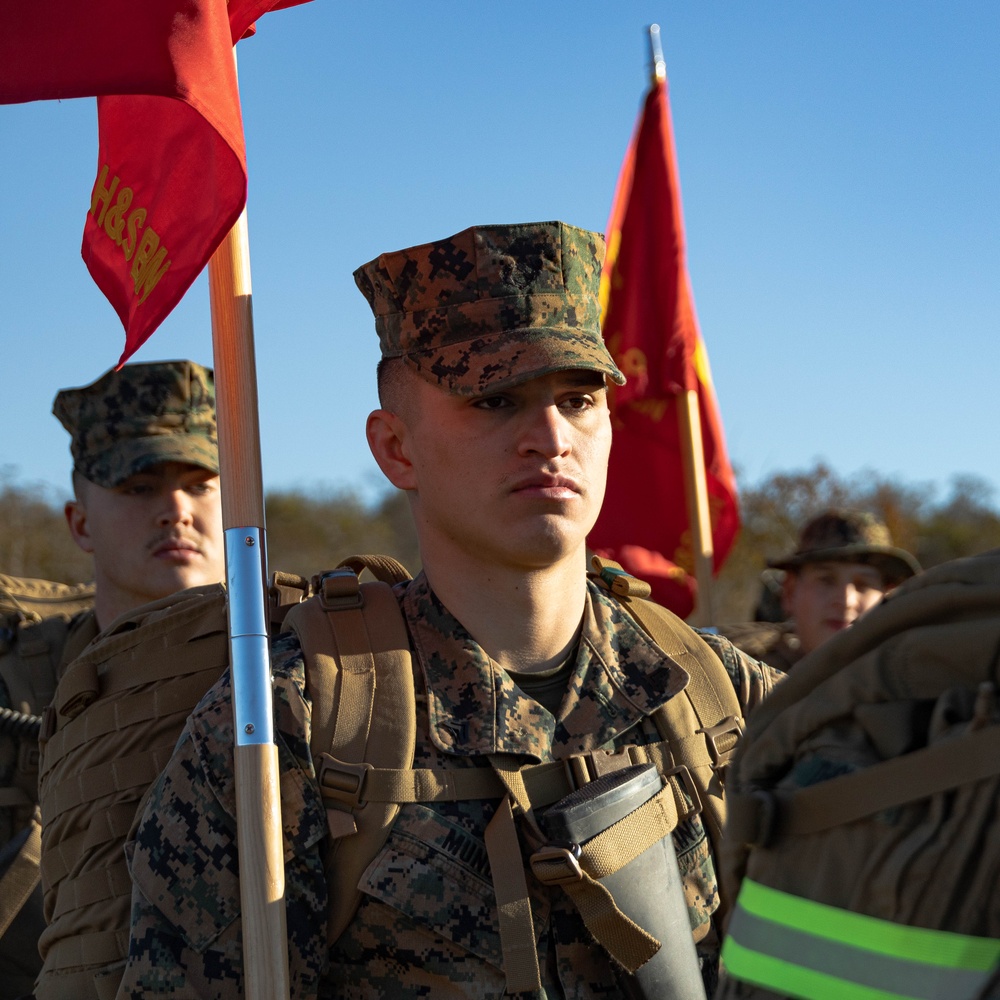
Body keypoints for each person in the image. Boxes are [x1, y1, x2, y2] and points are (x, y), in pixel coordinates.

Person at [116, 222, 781, 1000]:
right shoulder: (288, 727)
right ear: (396, 449)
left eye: (578, 400)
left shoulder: (725, 699)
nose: (550, 437)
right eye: (494, 399)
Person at [0, 360, 225, 999]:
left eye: (202, 484)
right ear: (80, 523)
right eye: (138, 487)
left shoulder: (309, 671)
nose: (176, 510)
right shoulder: (16, 682)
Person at [722, 510, 920, 672]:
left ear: (888, 598)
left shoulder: (919, 681)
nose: (845, 600)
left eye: (863, 585)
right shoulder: (737, 678)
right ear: (790, 592)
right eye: (826, 580)